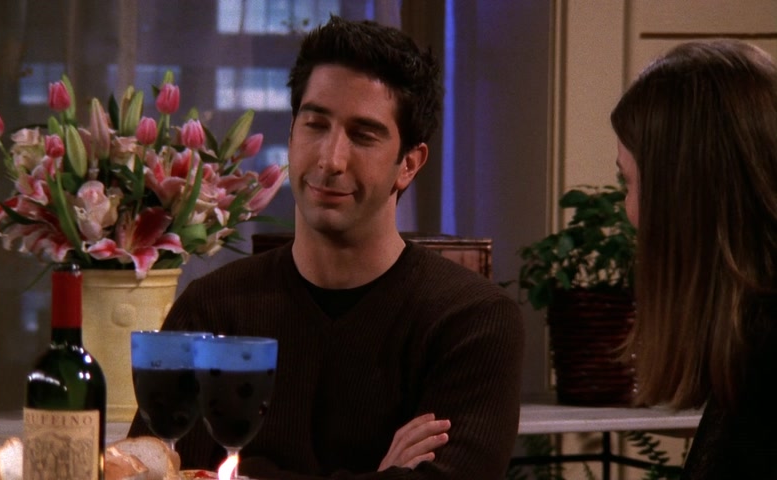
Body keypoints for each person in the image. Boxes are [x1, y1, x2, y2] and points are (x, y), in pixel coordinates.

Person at [129, 15, 524, 480]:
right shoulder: (213, 310)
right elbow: (152, 473)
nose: (330, 159)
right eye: (315, 125)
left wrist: (251, 472)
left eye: (363, 135)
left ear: (409, 164)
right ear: (292, 134)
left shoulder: (472, 320)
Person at [611, 40, 777, 479]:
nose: (629, 210)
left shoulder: (766, 366)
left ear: (684, 196)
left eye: (630, 183)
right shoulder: (745, 349)